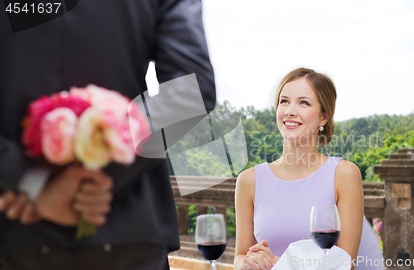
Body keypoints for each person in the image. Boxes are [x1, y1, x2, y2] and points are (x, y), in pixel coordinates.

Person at [0, 0, 216, 269]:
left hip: (13, 226)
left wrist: (28, 179)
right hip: (127, 227)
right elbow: (191, 90)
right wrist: (96, 178)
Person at [234, 68, 377, 270]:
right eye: (284, 101)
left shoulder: (343, 175)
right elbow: (240, 255)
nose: (290, 110)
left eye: (304, 103)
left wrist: (279, 264)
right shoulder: (249, 180)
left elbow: (347, 262)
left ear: (323, 118)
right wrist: (247, 263)